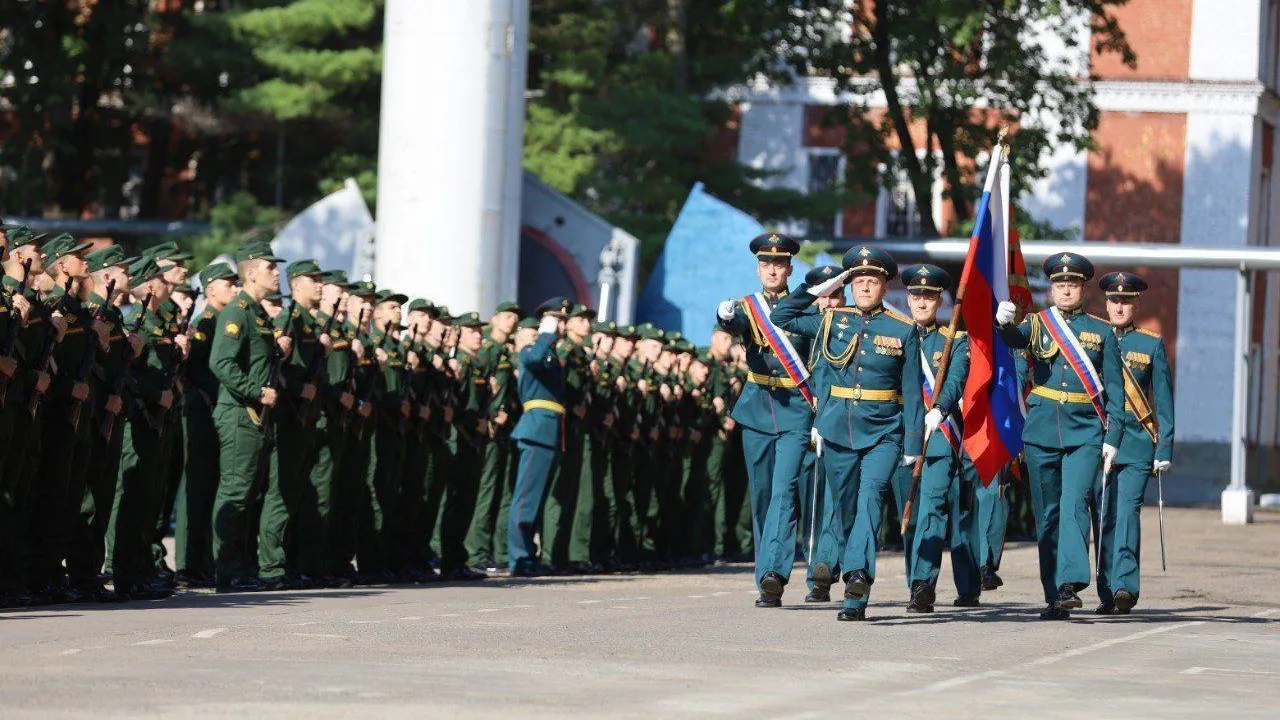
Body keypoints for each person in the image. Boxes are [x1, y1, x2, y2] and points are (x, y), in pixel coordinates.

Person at [772, 245, 922, 621]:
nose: (865, 288)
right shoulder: (830, 319)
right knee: (846, 505)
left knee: (871, 498)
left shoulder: (903, 328)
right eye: (858, 281)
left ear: (885, 287)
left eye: (872, 282)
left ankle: (857, 583)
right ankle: (851, 573)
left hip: (884, 430)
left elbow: (912, 390)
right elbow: (781, 315)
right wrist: (824, 288)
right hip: (839, 427)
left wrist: (913, 441)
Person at [996, 252, 1125, 620]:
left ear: (1082, 288)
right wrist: (1001, 322)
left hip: (1084, 430)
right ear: (1051, 288)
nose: (1065, 290)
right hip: (1040, 432)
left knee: (1074, 503)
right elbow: (1013, 338)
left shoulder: (1101, 332)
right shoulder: (1037, 323)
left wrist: (1113, 435)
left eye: (1072, 284)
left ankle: (1071, 582)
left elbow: (1115, 391)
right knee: (1048, 515)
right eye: (1059, 284)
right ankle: (1054, 595)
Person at [714, 232, 815, 608]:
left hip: (795, 407)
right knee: (760, 496)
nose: (771, 270)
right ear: (758, 267)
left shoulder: (805, 305)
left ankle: (774, 574)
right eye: (765, 263)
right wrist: (723, 317)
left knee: (783, 490)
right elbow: (735, 325)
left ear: (789, 267)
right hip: (758, 406)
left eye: (778, 263)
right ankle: (765, 576)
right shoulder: (748, 306)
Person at [897, 264, 981, 612]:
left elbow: (956, 379)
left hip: (939, 436)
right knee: (910, 516)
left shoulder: (955, 341)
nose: (921, 301)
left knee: (932, 507)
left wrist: (941, 408)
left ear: (940, 301)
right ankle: (914, 579)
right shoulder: (895, 335)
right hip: (901, 436)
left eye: (929, 296)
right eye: (916, 295)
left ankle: (923, 583)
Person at [209, 242, 291, 593]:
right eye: (271, 268)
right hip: (240, 413)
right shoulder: (237, 312)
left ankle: (240, 569)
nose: (277, 273)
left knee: (251, 494)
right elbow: (220, 363)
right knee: (236, 492)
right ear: (252, 272)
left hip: (256, 416)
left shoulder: (257, 314)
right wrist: (257, 393)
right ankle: (227, 573)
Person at [1093, 271, 1174, 615]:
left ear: (1137, 304)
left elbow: (1165, 401)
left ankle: (1125, 586)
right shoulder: (1092, 338)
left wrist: (1164, 447)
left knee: (1126, 513)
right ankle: (1106, 590)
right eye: (1114, 300)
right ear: (1106, 304)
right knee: (1103, 516)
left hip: (1138, 444)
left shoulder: (1150, 343)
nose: (1119, 307)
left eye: (1126, 301)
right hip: (1097, 442)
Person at [508, 298, 570, 577]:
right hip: (536, 430)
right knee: (525, 500)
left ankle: (528, 556)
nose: (563, 325)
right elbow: (532, 359)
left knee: (537, 500)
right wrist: (545, 333)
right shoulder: (533, 350)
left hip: (550, 431)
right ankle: (519, 558)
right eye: (559, 319)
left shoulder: (551, 353)